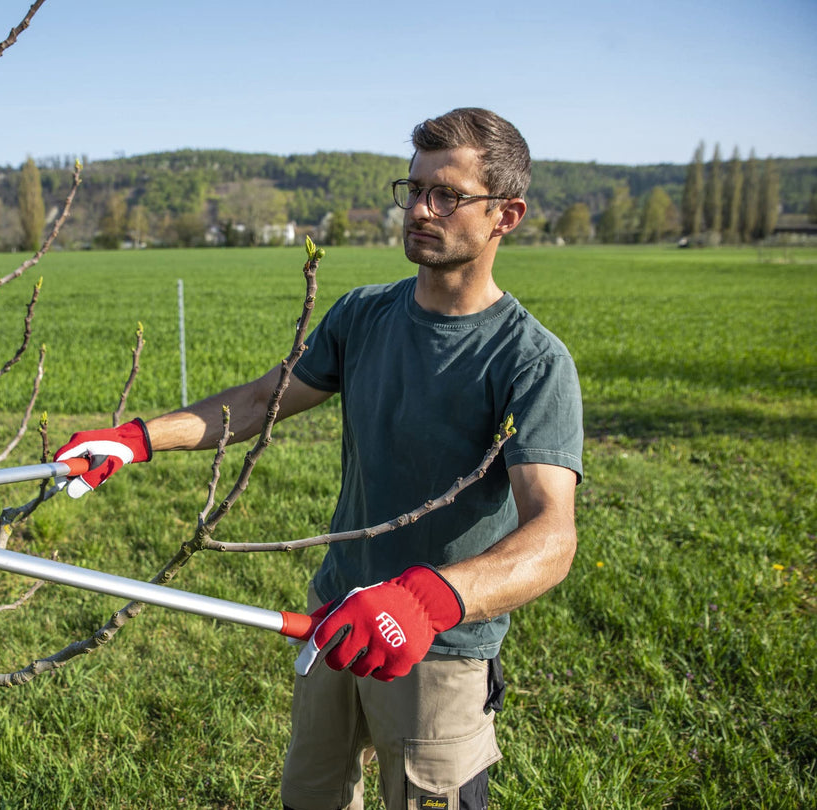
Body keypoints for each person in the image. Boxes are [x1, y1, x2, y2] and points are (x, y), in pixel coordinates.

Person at [55, 107, 584, 810]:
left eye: (447, 195)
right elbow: (258, 401)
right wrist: (137, 439)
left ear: (505, 216)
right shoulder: (364, 315)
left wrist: (426, 600)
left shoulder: (530, 361)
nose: (419, 209)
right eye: (414, 187)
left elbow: (552, 537)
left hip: (438, 649)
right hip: (335, 615)